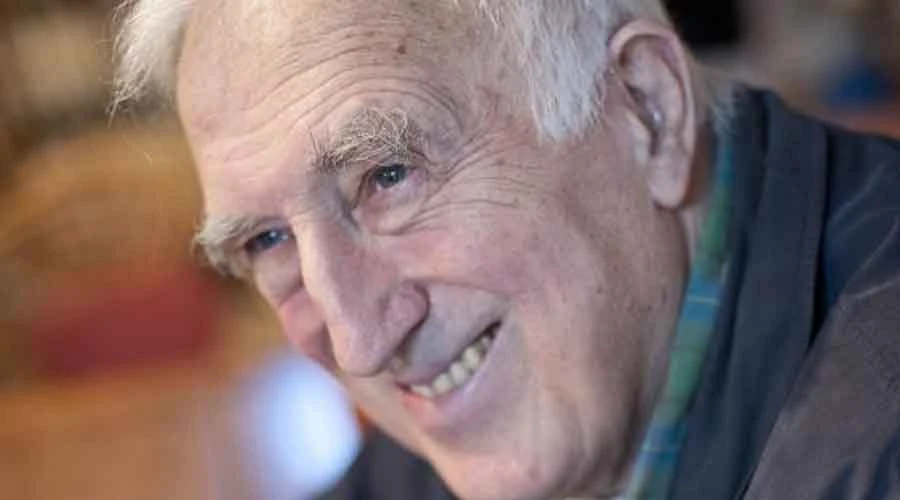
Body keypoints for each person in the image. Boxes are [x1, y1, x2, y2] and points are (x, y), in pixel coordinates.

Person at [112, 1, 900, 498]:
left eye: (388, 176)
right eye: (267, 239)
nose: (357, 343)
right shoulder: (507, 383)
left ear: (646, 109)